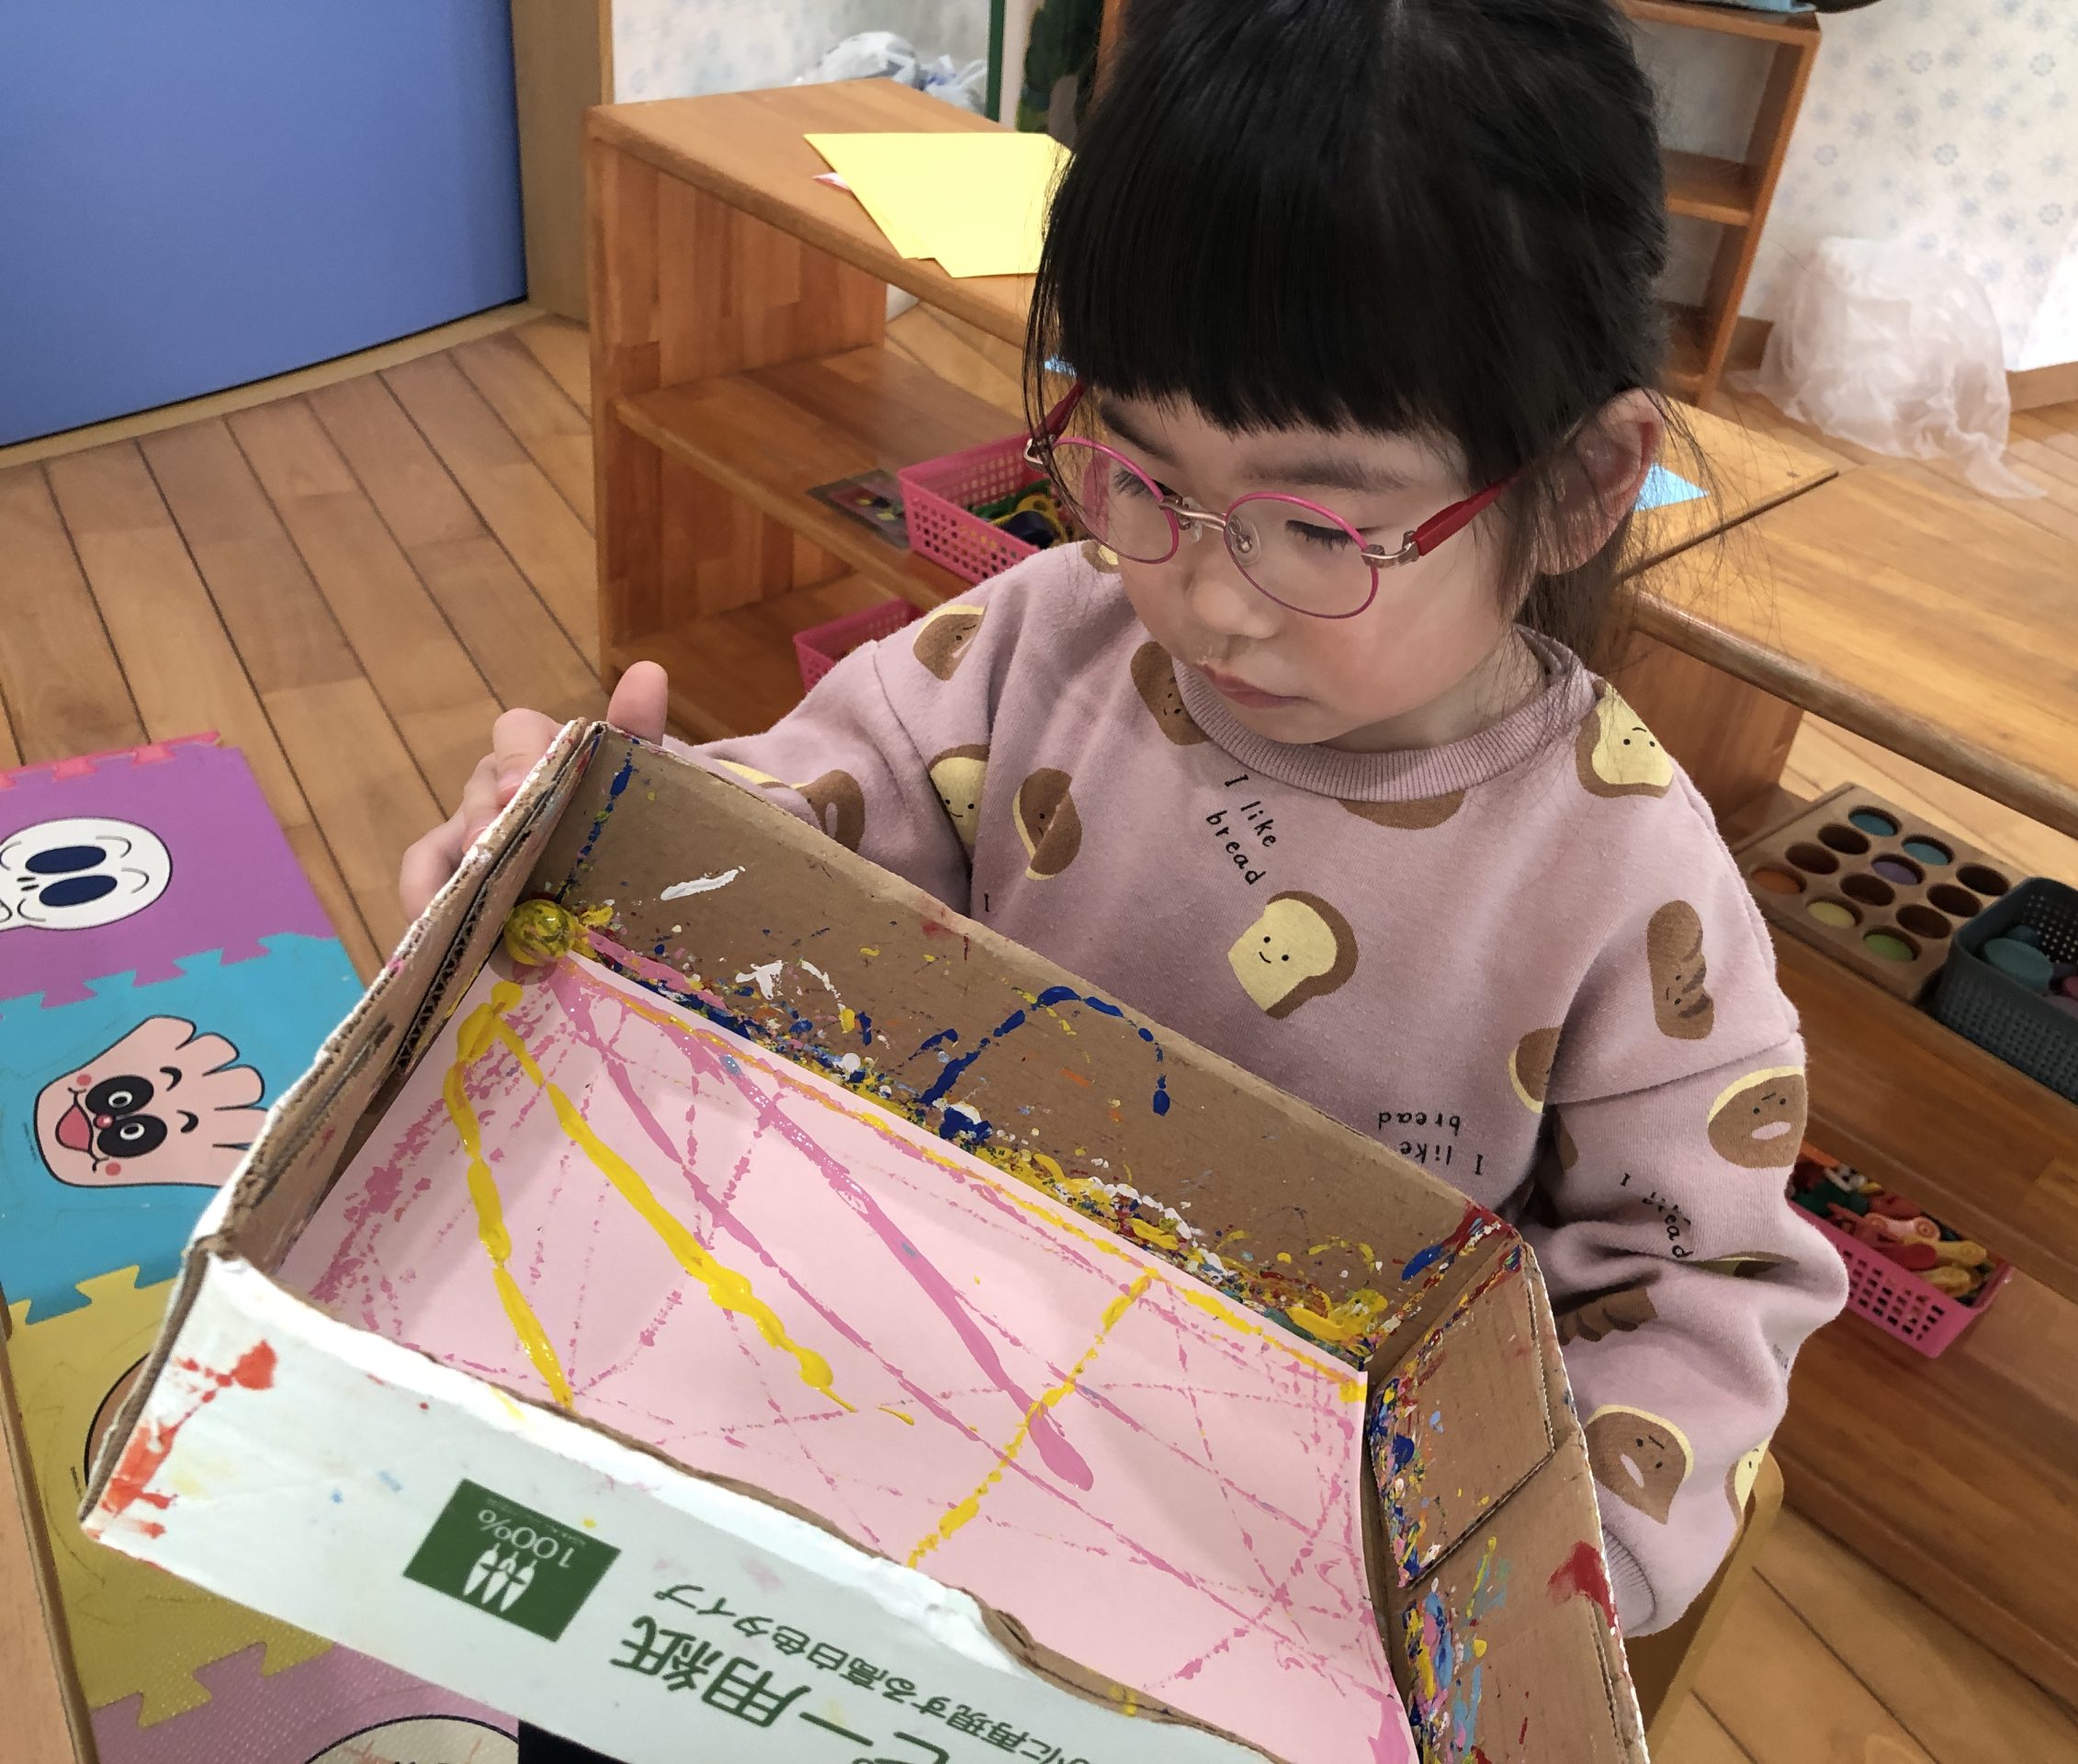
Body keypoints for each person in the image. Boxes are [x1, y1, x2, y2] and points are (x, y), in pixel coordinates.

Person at [401, 1, 1846, 1752]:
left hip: (1271, 1587)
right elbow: (805, 828)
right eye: (1142, 470)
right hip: (904, 1390)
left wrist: (1489, 1598)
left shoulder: (1627, 888)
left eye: (1318, 525)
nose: (1207, 596)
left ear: (1583, 482)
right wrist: (605, 844)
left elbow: (1699, 1299)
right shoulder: (1046, 641)